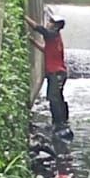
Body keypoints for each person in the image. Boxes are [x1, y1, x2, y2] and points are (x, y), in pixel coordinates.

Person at [27, 9, 71, 138]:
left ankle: (58, 124)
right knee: (57, 97)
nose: (48, 23)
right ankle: (62, 121)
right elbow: (47, 50)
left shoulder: (52, 34)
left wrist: (24, 17)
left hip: (56, 73)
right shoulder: (54, 37)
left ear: (56, 26)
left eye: (51, 21)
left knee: (53, 98)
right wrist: (33, 42)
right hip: (59, 73)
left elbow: (38, 28)